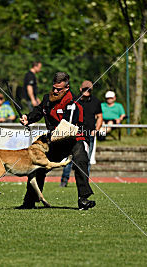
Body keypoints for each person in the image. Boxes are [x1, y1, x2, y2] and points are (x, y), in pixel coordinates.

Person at [19, 72, 96, 210]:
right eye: (53, 88)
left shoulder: (73, 102)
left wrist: (52, 135)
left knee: (80, 162)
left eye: (58, 89)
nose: (55, 91)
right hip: (55, 141)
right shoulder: (47, 99)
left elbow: (68, 127)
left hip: (74, 139)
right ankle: (29, 201)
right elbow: (38, 111)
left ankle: (83, 199)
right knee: (37, 166)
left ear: (67, 88)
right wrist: (28, 119)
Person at [60, 80, 103, 187]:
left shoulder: (96, 101)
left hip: (89, 134)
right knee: (70, 158)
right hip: (75, 134)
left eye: (89, 89)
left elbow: (100, 116)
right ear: (80, 89)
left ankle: (84, 182)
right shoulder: (74, 101)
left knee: (86, 160)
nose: (87, 91)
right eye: (85, 89)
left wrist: (96, 130)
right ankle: (64, 180)